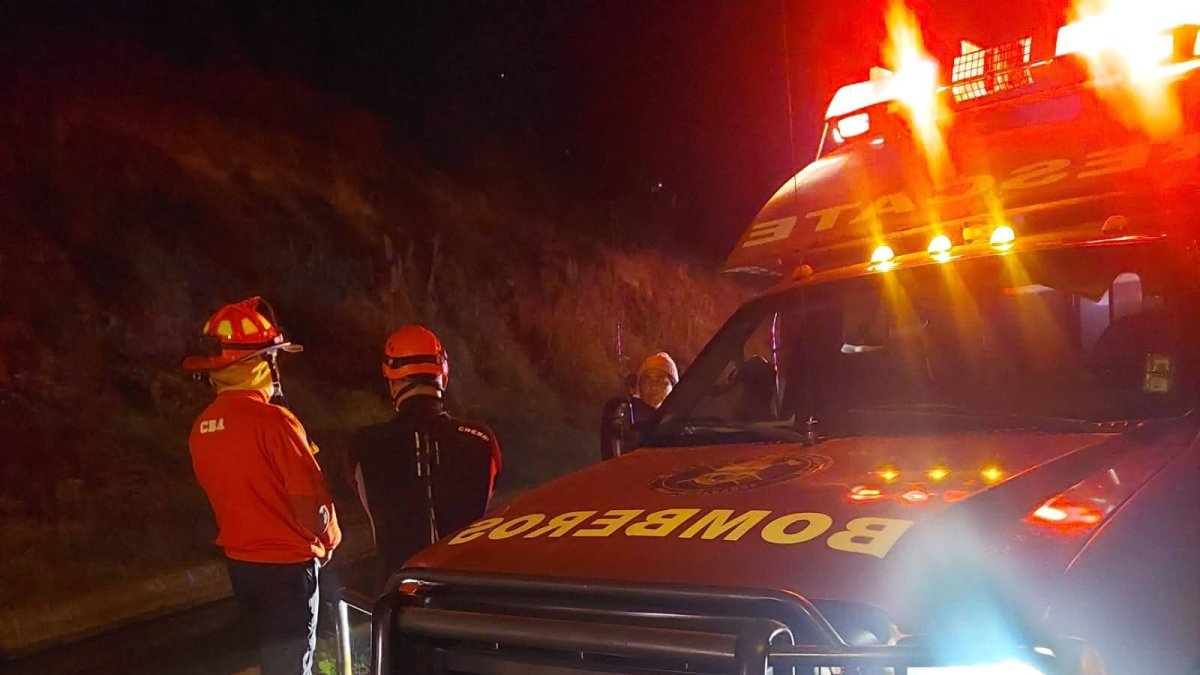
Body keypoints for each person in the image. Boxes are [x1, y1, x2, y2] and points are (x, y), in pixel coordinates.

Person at [183, 297, 341, 675]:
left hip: (242, 567)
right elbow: (311, 504)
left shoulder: (201, 428)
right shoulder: (275, 423)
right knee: (290, 666)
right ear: (263, 362)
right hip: (286, 570)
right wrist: (329, 538)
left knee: (269, 661)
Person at [346, 325, 501, 588]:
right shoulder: (481, 439)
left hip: (397, 601)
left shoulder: (364, 445)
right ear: (443, 376)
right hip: (467, 593)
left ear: (393, 382)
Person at [599, 351, 679, 459]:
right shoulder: (625, 412)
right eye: (647, 379)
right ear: (639, 385)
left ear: (673, 387)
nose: (653, 386)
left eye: (660, 380)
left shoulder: (682, 421)